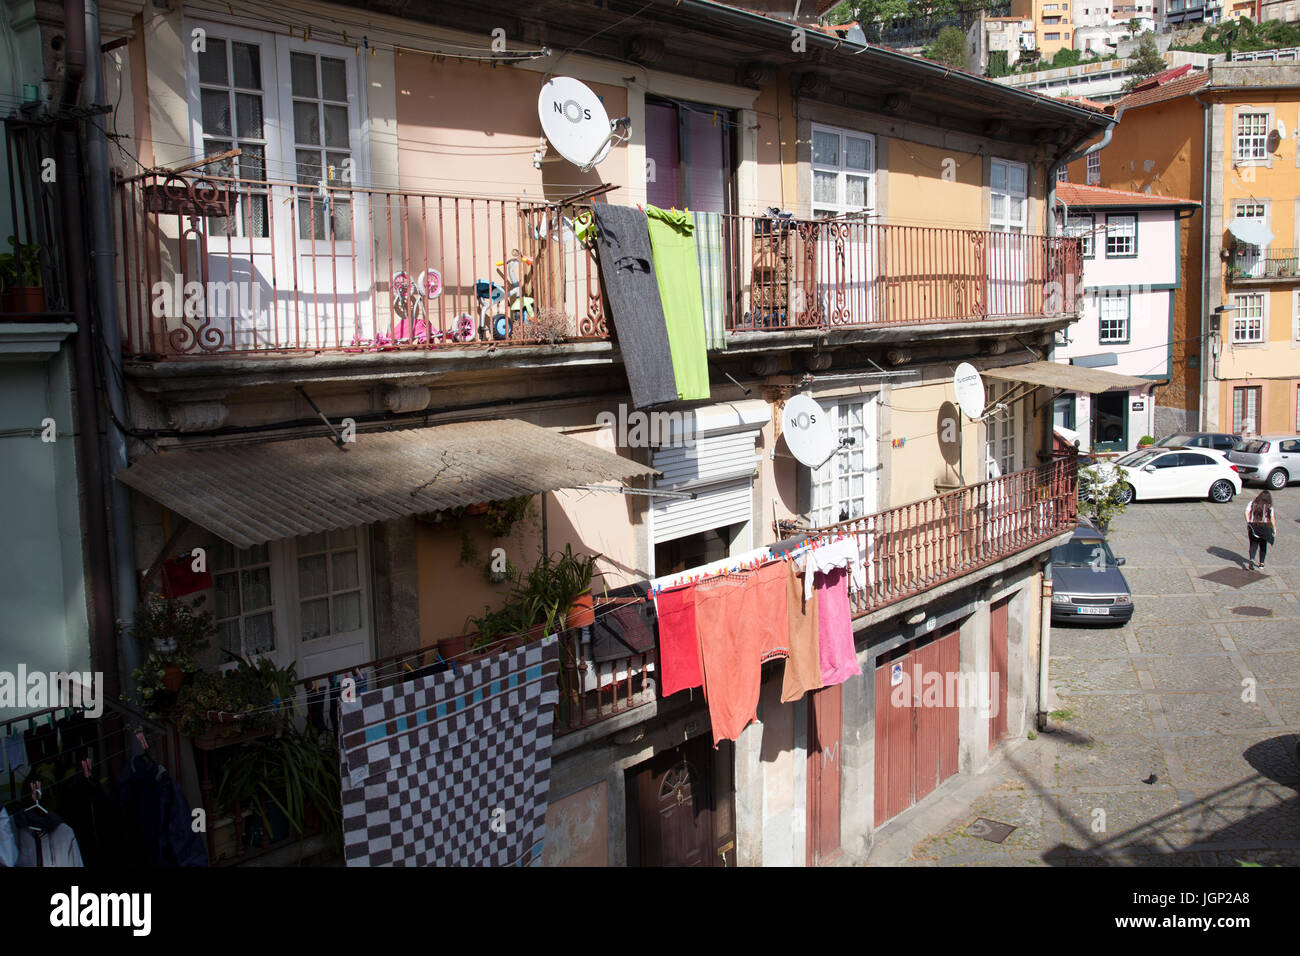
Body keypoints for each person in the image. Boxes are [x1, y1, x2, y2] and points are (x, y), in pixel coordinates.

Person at [1245, 490, 1276, 570]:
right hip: (1265, 526)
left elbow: (1246, 512)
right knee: (1263, 545)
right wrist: (1274, 529)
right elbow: (1272, 518)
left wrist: (1249, 522)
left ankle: (1251, 559)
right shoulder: (1269, 506)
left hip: (1253, 526)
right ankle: (1261, 563)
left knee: (1253, 544)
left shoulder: (1252, 503)